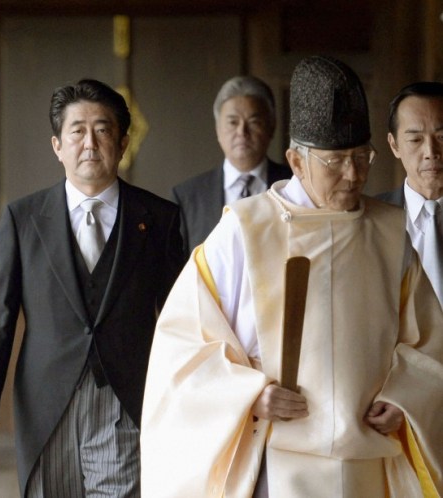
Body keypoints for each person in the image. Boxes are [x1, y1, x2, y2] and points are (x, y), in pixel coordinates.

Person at [141, 56, 443, 497]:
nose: (354, 175)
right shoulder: (245, 230)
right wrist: (248, 396)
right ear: (296, 162)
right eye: (336, 161)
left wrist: (403, 398)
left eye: (363, 158)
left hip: (368, 458)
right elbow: (182, 345)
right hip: (277, 457)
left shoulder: (388, 232)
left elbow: (428, 340)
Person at [0, 79, 185, 497]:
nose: (89, 143)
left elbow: (181, 318)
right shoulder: (23, 218)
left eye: (102, 130)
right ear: (57, 145)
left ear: (122, 143)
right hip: (47, 405)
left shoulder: (159, 218)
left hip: (126, 400)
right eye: (77, 131)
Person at [172, 75, 292, 257]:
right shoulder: (188, 197)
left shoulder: (294, 185)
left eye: (253, 122)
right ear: (217, 129)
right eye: (232, 122)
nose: (241, 132)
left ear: (272, 126)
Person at [377, 81, 443, 304]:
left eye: (441, 137)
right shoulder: (370, 220)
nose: (431, 152)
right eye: (415, 139)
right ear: (394, 145)